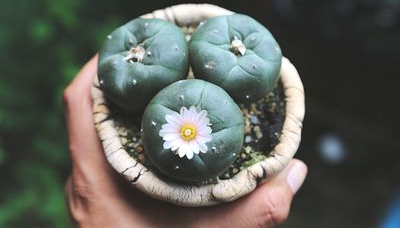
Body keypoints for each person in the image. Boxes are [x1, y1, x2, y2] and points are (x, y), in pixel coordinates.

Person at [63, 55, 308, 228]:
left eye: (189, 133)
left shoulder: (193, 127)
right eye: (188, 133)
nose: (188, 134)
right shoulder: (179, 130)